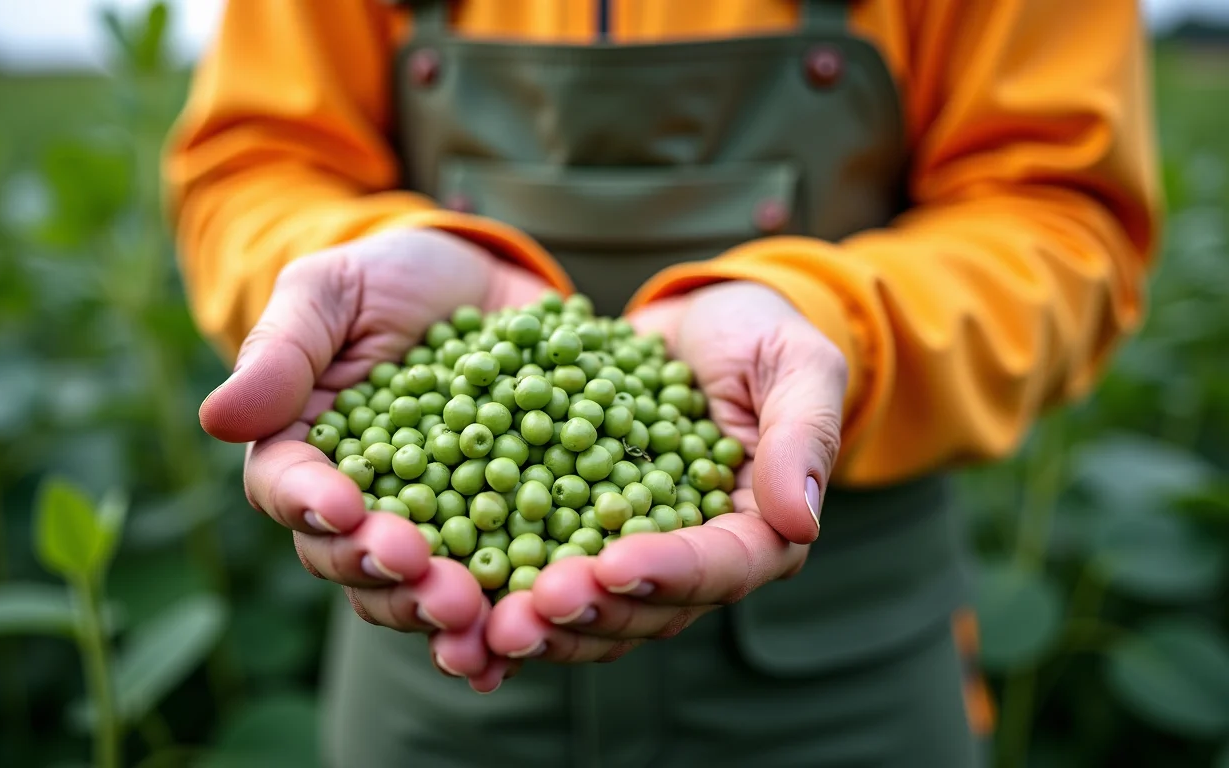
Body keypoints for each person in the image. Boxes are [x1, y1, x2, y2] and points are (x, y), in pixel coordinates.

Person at [164, 1, 1161, 765]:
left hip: (846, 668)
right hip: (430, 639)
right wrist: (346, 263)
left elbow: (1063, 212)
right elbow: (255, 160)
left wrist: (826, 323)